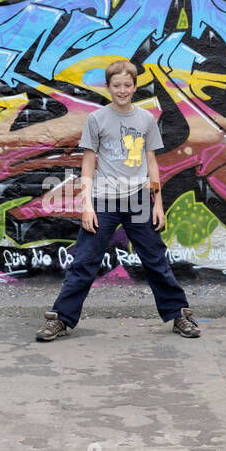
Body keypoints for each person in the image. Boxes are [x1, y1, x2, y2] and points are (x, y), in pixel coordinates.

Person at [36, 59, 200, 341]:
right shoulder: (97, 119)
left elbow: (152, 163)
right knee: (85, 260)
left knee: (155, 259)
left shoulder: (146, 120)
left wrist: (157, 203)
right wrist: (86, 206)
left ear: (135, 86)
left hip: (138, 200)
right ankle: (61, 319)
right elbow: (87, 164)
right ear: (108, 87)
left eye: (127, 85)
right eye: (116, 85)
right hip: (104, 200)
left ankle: (178, 315)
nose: (122, 90)